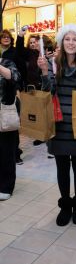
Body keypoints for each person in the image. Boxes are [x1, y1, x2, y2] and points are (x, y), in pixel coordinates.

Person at [37, 24, 76, 226]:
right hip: (58, 122)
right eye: (67, 39)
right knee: (62, 166)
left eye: (75, 39)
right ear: (62, 42)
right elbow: (47, 92)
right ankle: (65, 206)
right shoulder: (52, 63)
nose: (71, 43)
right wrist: (44, 72)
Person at [0, 56, 21, 200]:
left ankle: (6, 186)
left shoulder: (6, 62)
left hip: (4, 113)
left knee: (6, 151)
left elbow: (15, 77)